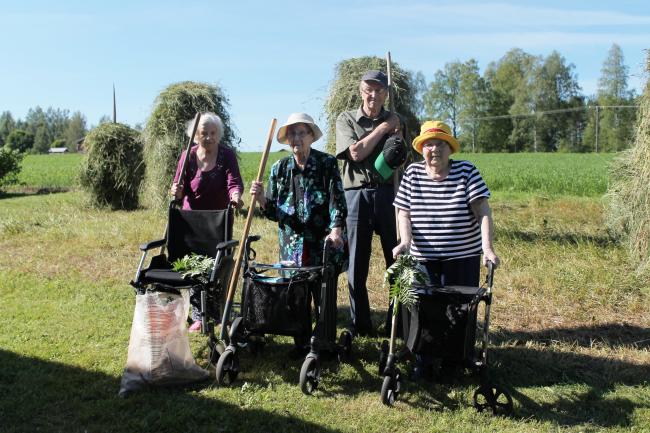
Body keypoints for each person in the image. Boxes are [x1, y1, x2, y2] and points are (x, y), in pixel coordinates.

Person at [392, 120, 499, 380]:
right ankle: (424, 360)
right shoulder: (412, 173)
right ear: (421, 149)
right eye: (428, 144)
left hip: (462, 255)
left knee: (459, 308)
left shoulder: (466, 172)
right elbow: (403, 213)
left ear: (449, 148)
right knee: (425, 308)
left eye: (439, 144)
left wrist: (487, 247)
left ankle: (456, 360)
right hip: (422, 257)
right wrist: (405, 242)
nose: (434, 150)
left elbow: (482, 211)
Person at [335, 70, 401, 337]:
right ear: (360, 91)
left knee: (396, 260)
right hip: (356, 195)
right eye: (368, 90)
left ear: (386, 93)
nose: (373, 95)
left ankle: (397, 321)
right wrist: (384, 129)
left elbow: (398, 157)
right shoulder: (346, 119)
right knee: (357, 262)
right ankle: (360, 323)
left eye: (378, 90)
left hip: (389, 194)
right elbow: (355, 152)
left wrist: (397, 132)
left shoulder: (398, 120)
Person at [171, 112, 244, 332]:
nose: (209, 137)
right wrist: (175, 190)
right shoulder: (187, 156)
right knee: (195, 267)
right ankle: (199, 316)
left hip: (218, 221)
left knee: (218, 267)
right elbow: (177, 185)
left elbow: (234, 182)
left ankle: (221, 311)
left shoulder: (226, 155)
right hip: (192, 222)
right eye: (204, 133)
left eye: (213, 133)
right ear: (196, 135)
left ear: (219, 134)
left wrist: (236, 197)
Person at [250, 112, 346, 267]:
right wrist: (261, 198)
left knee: (323, 290)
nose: (296, 138)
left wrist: (336, 230)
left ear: (311, 136)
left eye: (301, 133)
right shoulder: (279, 169)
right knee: (293, 289)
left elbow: (337, 200)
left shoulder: (327, 163)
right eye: (292, 134)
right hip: (292, 247)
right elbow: (274, 213)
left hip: (322, 242)